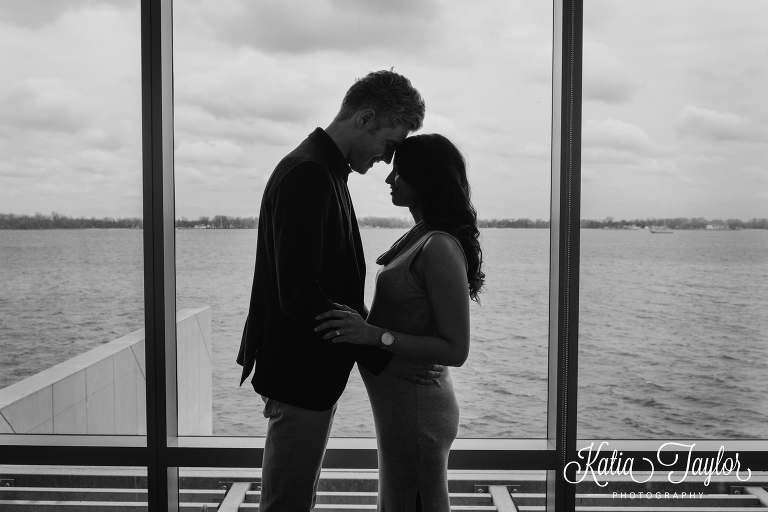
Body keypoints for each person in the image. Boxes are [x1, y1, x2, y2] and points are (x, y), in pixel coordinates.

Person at [236, 70, 443, 511]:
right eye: (390, 144)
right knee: (286, 504)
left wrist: (378, 346)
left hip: (307, 375)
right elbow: (298, 293)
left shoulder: (323, 168)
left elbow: (328, 284)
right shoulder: (309, 172)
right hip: (299, 377)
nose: (388, 161)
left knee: (293, 498)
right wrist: (382, 355)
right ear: (366, 118)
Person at [315, 133, 485, 511]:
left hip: (419, 412)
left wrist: (376, 337)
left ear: (425, 179)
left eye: (400, 173)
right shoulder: (420, 234)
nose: (390, 180)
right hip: (401, 408)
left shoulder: (439, 246)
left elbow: (456, 349)